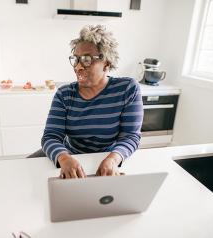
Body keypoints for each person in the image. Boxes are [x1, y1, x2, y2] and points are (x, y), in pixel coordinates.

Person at [39, 25, 143, 178]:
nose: (78, 67)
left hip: (108, 158)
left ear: (106, 63)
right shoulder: (64, 94)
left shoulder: (127, 89)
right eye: (76, 59)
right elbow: (51, 136)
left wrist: (113, 159)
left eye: (87, 59)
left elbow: (130, 136)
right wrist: (64, 157)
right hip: (70, 157)